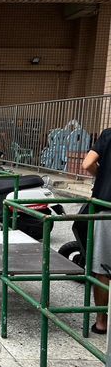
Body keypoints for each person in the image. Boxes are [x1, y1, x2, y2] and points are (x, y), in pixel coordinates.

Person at [82, 127, 111, 335]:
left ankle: (102, 321)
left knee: (102, 267)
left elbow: (87, 163)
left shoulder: (109, 134)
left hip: (106, 207)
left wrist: (103, 176)